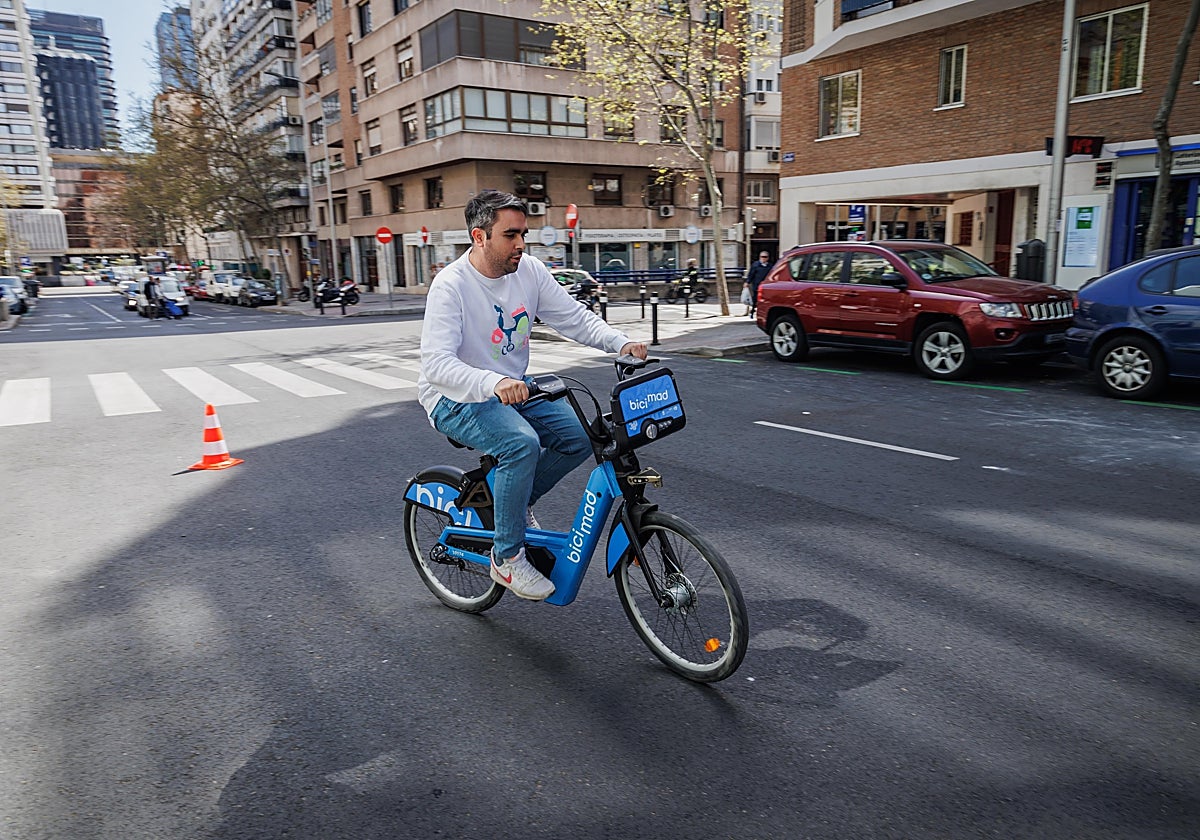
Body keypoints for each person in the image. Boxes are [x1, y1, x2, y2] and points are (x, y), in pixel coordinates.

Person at [419, 190, 648, 601]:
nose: (522, 244)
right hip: (453, 397)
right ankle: (506, 557)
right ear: (479, 236)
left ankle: (514, 503)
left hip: (511, 390)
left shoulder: (530, 271)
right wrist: (491, 383)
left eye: (524, 233)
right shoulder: (450, 286)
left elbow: (573, 317)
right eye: (511, 235)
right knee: (521, 445)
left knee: (582, 436)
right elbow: (436, 365)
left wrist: (620, 343)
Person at [744, 251, 772, 317]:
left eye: (765, 257)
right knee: (755, 299)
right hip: (757, 285)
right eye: (762, 257)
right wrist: (747, 282)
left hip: (766, 285)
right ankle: (753, 312)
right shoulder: (755, 265)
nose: (763, 258)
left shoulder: (770, 266)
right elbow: (751, 274)